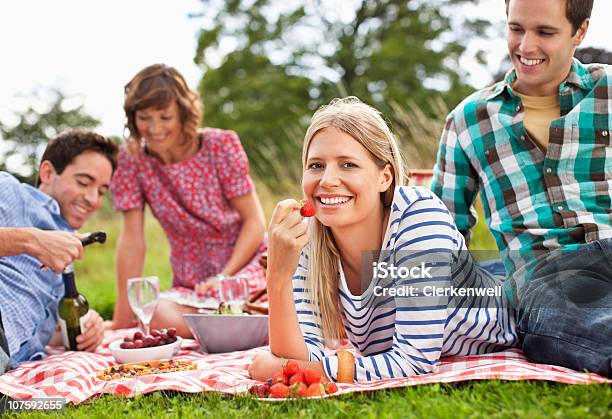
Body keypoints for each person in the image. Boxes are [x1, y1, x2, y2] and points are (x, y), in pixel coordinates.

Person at [249, 97, 517, 383]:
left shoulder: (420, 217)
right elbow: (298, 357)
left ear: (385, 177)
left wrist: (297, 370)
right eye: (316, 165)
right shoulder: (309, 235)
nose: (327, 179)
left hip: (512, 312)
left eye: (348, 164)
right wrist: (277, 274)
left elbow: (414, 361)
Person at [431, 0, 611, 377]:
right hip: (548, 276)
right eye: (516, 29)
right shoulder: (469, 121)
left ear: (580, 32)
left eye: (544, 32)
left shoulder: (607, 91)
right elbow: (442, 232)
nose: (525, 47)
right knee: (554, 327)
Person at [110, 64, 267, 336]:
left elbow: (254, 222)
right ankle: (235, 328)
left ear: (183, 113)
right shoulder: (132, 160)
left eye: (165, 117)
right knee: (155, 312)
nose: (155, 128)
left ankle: (236, 323)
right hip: (192, 285)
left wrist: (224, 277)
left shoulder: (220, 145)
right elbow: (132, 243)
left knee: (252, 301)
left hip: (244, 265)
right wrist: (119, 322)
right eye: (144, 117)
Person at [0, 129, 118, 372]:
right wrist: (30, 240)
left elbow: (49, 332)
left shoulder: (66, 257)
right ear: (47, 172)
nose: (93, 199)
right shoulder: (8, 191)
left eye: (102, 191)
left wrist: (87, 326)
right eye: (83, 182)